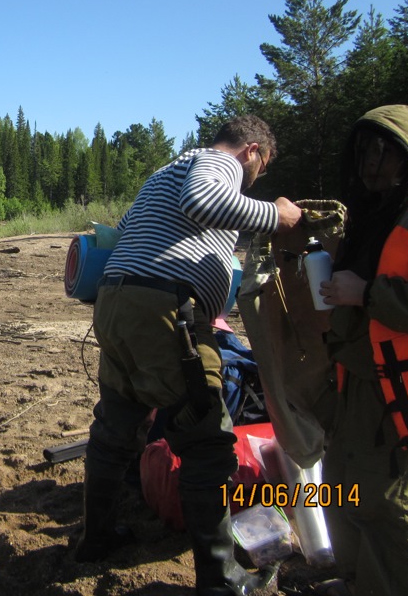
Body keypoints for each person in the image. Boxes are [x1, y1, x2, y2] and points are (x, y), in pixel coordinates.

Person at [77, 115, 301, 595]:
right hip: (162, 311)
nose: (254, 178)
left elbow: (164, 226)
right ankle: (221, 580)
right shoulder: (216, 163)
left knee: (115, 426)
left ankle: (96, 538)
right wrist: (276, 214)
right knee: (206, 445)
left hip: (117, 303)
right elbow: (203, 201)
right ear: (253, 151)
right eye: (258, 169)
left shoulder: (166, 171)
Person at [315, 104, 408, 596]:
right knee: (339, 487)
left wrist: (367, 294)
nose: (373, 162)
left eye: (386, 151)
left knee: (390, 506)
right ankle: (357, 581)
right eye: (366, 150)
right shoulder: (368, 217)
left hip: (403, 394)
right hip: (355, 379)